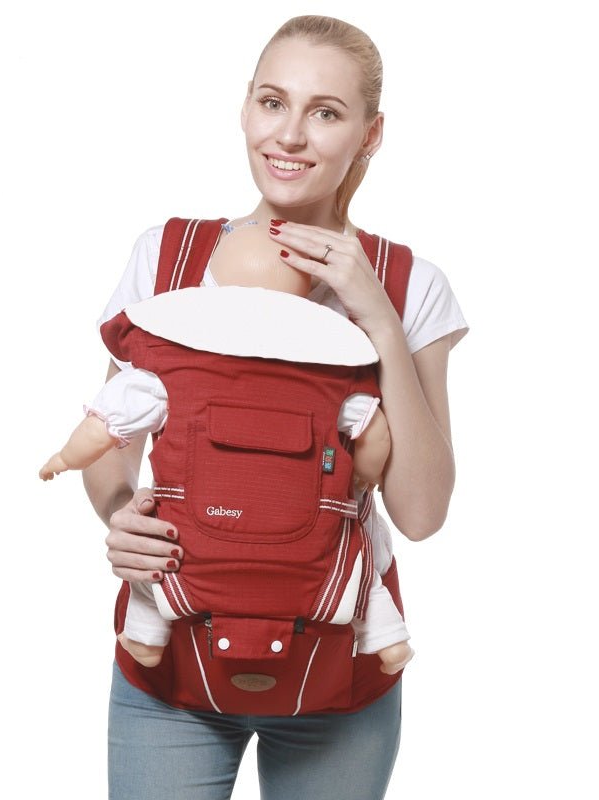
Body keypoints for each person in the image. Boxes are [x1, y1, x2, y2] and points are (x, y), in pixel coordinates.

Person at [83, 15, 468, 799]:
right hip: (172, 669)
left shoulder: (408, 284)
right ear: (246, 109)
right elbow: (113, 443)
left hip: (343, 674)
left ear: (370, 133)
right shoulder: (169, 256)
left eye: (325, 112)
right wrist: (122, 515)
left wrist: (378, 318)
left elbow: (422, 512)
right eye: (272, 103)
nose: (289, 135)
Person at [40, 221, 413, 676]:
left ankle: (144, 636)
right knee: (356, 560)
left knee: (159, 568)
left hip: (193, 544)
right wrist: (361, 478)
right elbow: (374, 434)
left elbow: (104, 425)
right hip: (309, 554)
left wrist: (64, 459)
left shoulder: (169, 370)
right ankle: (387, 638)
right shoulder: (330, 378)